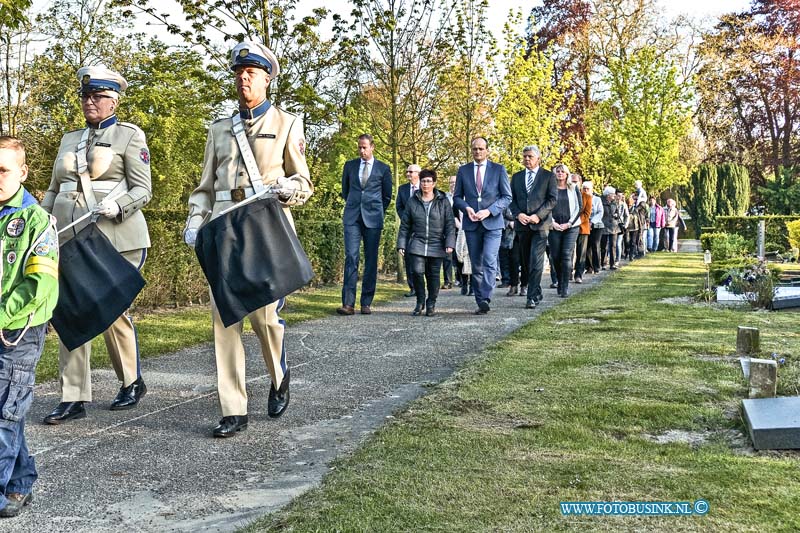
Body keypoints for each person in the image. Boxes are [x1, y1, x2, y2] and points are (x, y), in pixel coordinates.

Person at [183, 41, 313, 437]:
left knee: (264, 318)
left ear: (267, 80)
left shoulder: (286, 123)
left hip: (265, 227)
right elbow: (204, 186)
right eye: (240, 72)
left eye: (252, 72)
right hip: (225, 228)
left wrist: (291, 189)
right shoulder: (219, 130)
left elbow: (304, 182)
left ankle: (279, 374)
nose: (244, 78)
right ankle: (233, 409)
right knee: (225, 320)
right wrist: (194, 219)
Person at [43, 66, 152, 425]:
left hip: (115, 239)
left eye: (98, 97)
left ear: (114, 100)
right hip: (70, 238)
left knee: (110, 311)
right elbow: (54, 189)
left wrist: (117, 206)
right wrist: (41, 224)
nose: (90, 102)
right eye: (86, 96)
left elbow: (142, 190)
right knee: (71, 310)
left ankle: (131, 380)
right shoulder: (68, 138)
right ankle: (73, 396)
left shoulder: (129, 136)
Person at [0, 136, 60, 517]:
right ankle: (21, 481)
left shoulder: (36, 221)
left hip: (18, 331)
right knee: (9, 410)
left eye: (3, 170)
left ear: (22, 172)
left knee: (4, 413)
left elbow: (40, 284)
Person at [453, 137, 511, 314]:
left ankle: (486, 294)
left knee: (489, 259)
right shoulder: (463, 171)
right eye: (474, 149)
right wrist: (467, 208)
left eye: (481, 148)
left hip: (492, 224)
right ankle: (481, 301)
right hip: (472, 224)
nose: (477, 152)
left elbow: (506, 197)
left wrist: (489, 211)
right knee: (476, 263)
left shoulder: (498, 170)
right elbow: (456, 198)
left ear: (487, 150)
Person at [338, 134, 392, 316]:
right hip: (352, 217)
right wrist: (355, 204)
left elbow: (387, 196)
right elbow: (345, 191)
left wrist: (376, 210)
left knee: (371, 260)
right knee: (351, 257)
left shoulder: (383, 169)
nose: (361, 150)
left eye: (364, 147)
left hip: (373, 218)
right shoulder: (350, 166)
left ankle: (366, 302)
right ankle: (348, 303)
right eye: (359, 147)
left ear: (372, 147)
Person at [396, 169, 455, 316]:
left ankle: (431, 303)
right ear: (420, 183)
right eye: (423, 181)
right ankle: (420, 301)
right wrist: (401, 244)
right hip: (417, 242)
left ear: (434, 183)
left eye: (429, 181)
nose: (425, 184)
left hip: (437, 243)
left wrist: (450, 242)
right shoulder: (412, 200)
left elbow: (449, 223)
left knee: (433, 275)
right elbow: (405, 225)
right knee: (417, 271)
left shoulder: (443, 201)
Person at [508, 145, 556, 309]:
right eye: (525, 156)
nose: (527, 159)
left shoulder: (548, 176)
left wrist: (538, 215)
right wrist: (518, 214)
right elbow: (511, 199)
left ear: (538, 158)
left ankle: (531, 297)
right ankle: (537, 290)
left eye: (530, 156)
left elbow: (552, 200)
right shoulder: (517, 177)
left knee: (536, 260)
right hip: (522, 225)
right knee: (526, 262)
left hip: (540, 225)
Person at [547, 164, 582, 297]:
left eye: (563, 171)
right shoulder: (549, 189)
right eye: (558, 171)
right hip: (554, 226)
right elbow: (546, 207)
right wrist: (553, 223)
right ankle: (559, 281)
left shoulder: (573, 188)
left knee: (566, 255)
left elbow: (579, 207)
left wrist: (569, 223)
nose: (560, 173)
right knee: (555, 256)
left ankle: (565, 286)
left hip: (571, 227)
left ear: (567, 174)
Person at [396, 164, 421, 297]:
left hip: (422, 229)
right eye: (407, 172)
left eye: (411, 172)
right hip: (407, 228)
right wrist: (405, 219)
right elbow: (399, 206)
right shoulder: (402, 189)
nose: (408, 174)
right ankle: (413, 288)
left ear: (418, 173)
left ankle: (422, 286)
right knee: (408, 259)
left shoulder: (425, 188)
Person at [573, 175, 593, 284]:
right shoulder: (567, 193)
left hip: (582, 227)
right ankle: (567, 273)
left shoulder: (587, 197)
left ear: (580, 182)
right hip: (568, 227)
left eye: (576, 181)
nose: (574, 183)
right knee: (568, 252)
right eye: (572, 181)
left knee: (581, 252)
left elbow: (587, 213)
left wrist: (575, 221)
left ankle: (578, 274)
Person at [442, 175, 457, 289]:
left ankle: (462, 279)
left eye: (455, 182)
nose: (453, 185)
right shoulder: (444, 197)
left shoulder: (464, 196)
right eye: (451, 182)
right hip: (447, 229)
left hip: (461, 228)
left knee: (461, 255)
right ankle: (448, 281)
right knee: (447, 255)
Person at [600, 186, 620, 270]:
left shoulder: (614, 203)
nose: (614, 195)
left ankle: (612, 263)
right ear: (608, 194)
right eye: (613, 194)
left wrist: (616, 215)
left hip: (613, 226)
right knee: (603, 246)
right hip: (604, 226)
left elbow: (617, 213)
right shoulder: (601, 202)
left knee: (613, 246)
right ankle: (603, 263)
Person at [586, 181, 604, 275]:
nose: (586, 191)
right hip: (585, 224)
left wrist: (592, 222)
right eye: (584, 189)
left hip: (597, 225)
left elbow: (600, 212)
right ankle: (589, 266)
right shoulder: (581, 198)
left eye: (587, 189)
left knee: (595, 244)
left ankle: (597, 266)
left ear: (591, 190)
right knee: (586, 246)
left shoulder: (597, 199)